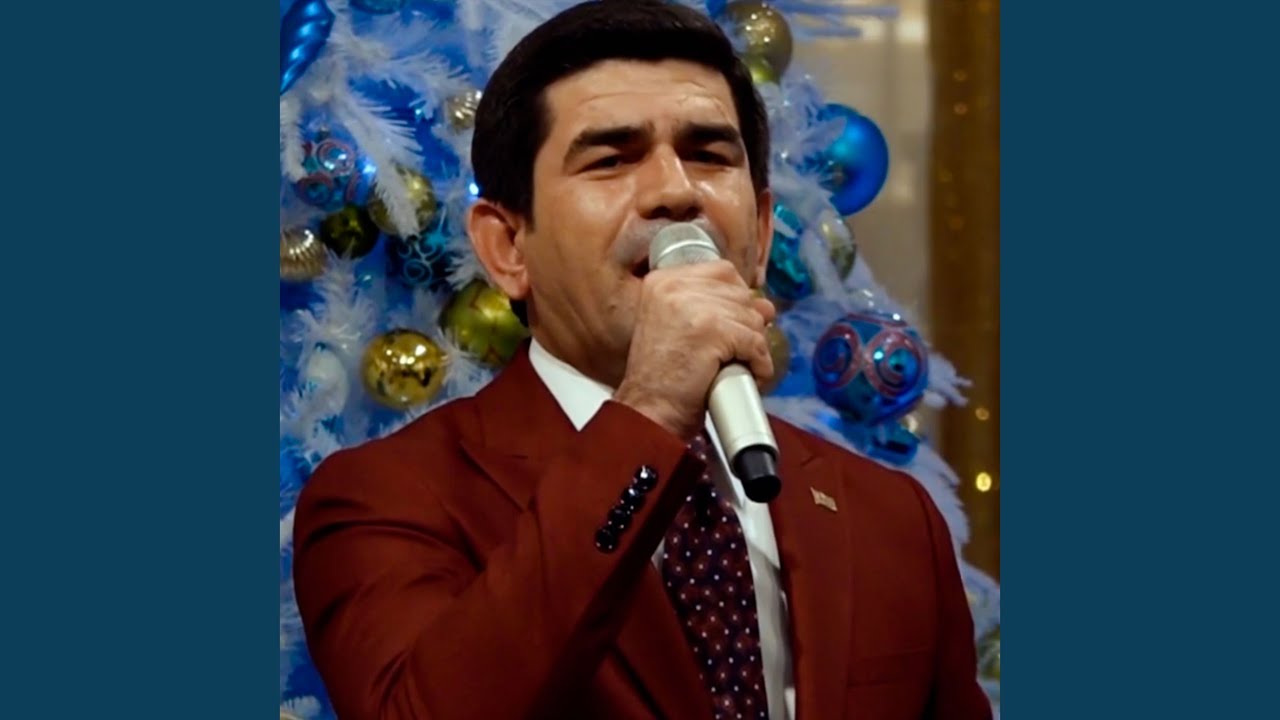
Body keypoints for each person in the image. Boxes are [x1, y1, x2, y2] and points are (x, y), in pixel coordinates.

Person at [291, 2, 992, 719]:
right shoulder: (389, 497)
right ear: (507, 248)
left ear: (758, 236)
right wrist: (651, 412)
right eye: (611, 160)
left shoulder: (890, 515)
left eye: (709, 155)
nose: (675, 192)